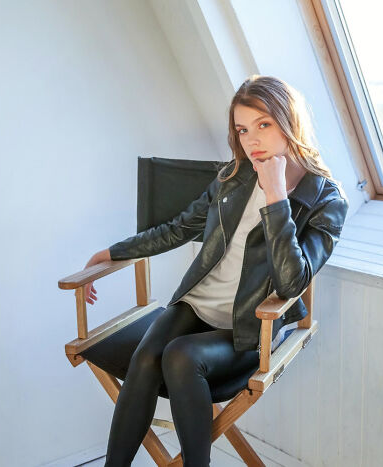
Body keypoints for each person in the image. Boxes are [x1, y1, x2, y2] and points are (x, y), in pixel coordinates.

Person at [81, 75, 349, 466]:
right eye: (243, 130)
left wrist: (276, 196)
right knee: (146, 357)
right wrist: (112, 252)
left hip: (249, 327)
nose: (252, 140)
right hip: (196, 306)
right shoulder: (233, 176)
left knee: (180, 357)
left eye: (263, 124)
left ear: (289, 121)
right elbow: (179, 228)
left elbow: (292, 282)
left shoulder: (326, 200)